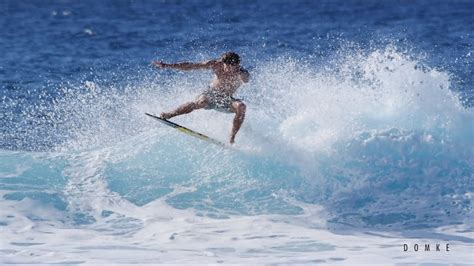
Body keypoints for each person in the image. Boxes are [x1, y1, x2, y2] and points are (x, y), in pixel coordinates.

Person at [152, 52, 250, 144]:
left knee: (241, 106)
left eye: (234, 67)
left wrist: (243, 76)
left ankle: (232, 138)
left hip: (226, 99)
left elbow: (246, 79)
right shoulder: (216, 65)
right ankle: (169, 115)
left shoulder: (242, 72)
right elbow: (191, 66)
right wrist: (167, 65)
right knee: (201, 102)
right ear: (223, 63)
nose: (230, 70)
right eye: (227, 67)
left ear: (238, 65)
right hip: (210, 94)